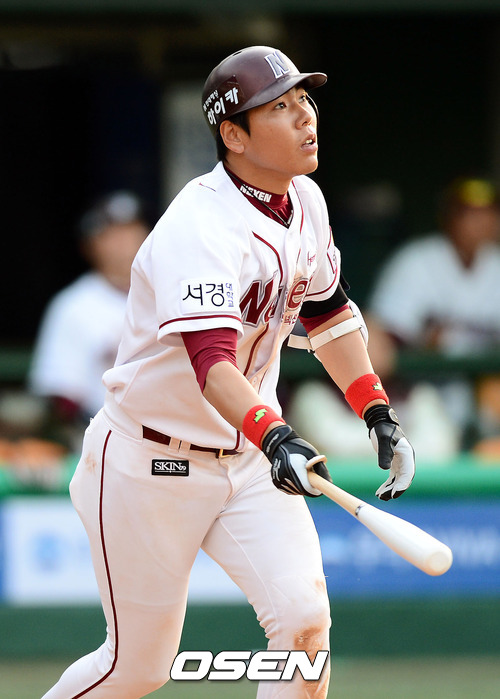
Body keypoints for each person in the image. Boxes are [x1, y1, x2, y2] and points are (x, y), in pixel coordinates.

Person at [41, 46, 415, 699]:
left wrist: (376, 410)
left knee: (304, 628)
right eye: (279, 107)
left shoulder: (306, 199)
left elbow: (327, 313)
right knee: (138, 667)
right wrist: (277, 435)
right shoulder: (201, 223)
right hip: (151, 460)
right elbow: (211, 364)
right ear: (234, 136)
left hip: (246, 457)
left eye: (304, 99)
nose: (305, 116)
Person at [366, 177, 500, 450]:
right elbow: (382, 340)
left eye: (487, 213)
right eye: (468, 214)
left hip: (484, 394)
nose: (479, 222)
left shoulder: (495, 265)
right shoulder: (415, 262)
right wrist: (424, 344)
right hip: (422, 391)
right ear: (448, 218)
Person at [28, 191, 151, 449]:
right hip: (100, 437)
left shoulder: (169, 294)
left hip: (170, 434)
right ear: (90, 246)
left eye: (131, 231)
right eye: (112, 235)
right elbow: (62, 396)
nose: (125, 243)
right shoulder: (73, 306)